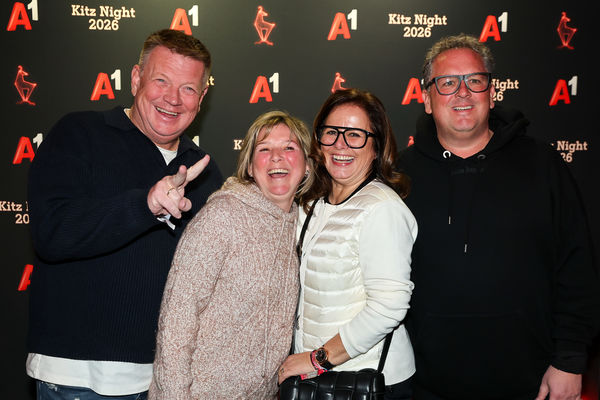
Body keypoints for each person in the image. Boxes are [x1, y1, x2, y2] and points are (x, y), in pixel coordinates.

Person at [397, 33, 600, 400]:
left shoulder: (542, 165)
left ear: (491, 93)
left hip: (531, 381)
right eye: (447, 83)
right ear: (427, 98)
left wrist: (570, 361)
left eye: (475, 80)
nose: (462, 93)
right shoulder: (398, 177)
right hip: (423, 384)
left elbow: (576, 267)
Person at [26, 29, 222, 399]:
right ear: (135, 79)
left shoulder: (205, 172)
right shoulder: (79, 134)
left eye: (188, 88)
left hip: (169, 381)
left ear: (201, 98)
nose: (172, 99)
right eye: (161, 80)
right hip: (78, 378)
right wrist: (145, 204)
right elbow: (52, 233)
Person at [148, 110, 313, 399]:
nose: (277, 157)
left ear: (308, 165)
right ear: (249, 166)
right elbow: (177, 318)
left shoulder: (304, 226)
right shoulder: (223, 215)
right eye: (264, 149)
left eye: (289, 147)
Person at [278, 88, 418, 400]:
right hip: (319, 379)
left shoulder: (381, 208)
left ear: (376, 146)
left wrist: (319, 358)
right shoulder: (312, 204)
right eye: (331, 132)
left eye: (355, 135)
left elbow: (389, 306)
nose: (340, 145)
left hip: (368, 381)